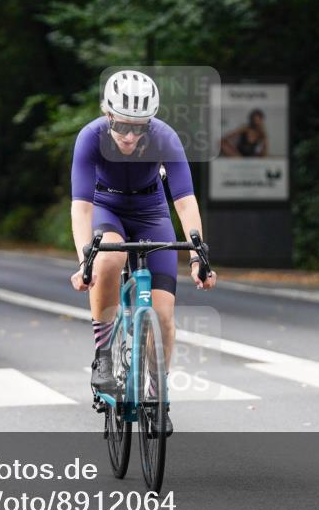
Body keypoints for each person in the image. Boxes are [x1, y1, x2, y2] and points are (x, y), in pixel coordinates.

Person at [69, 70, 217, 436]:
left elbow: (183, 200)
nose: (131, 137)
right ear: (107, 114)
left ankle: (157, 394)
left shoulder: (165, 137)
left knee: (164, 315)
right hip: (107, 206)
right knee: (110, 256)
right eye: (122, 126)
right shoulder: (90, 137)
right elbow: (82, 207)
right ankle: (103, 355)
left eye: (139, 127)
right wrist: (83, 259)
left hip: (151, 212)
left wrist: (198, 254)